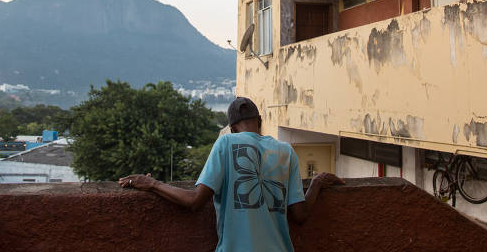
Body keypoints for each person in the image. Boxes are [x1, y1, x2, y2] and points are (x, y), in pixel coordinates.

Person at [119, 96, 343, 252]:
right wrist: (316, 183)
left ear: (233, 128)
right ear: (260, 122)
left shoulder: (226, 142)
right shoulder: (286, 151)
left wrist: (152, 184)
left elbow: (195, 201)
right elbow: (300, 215)